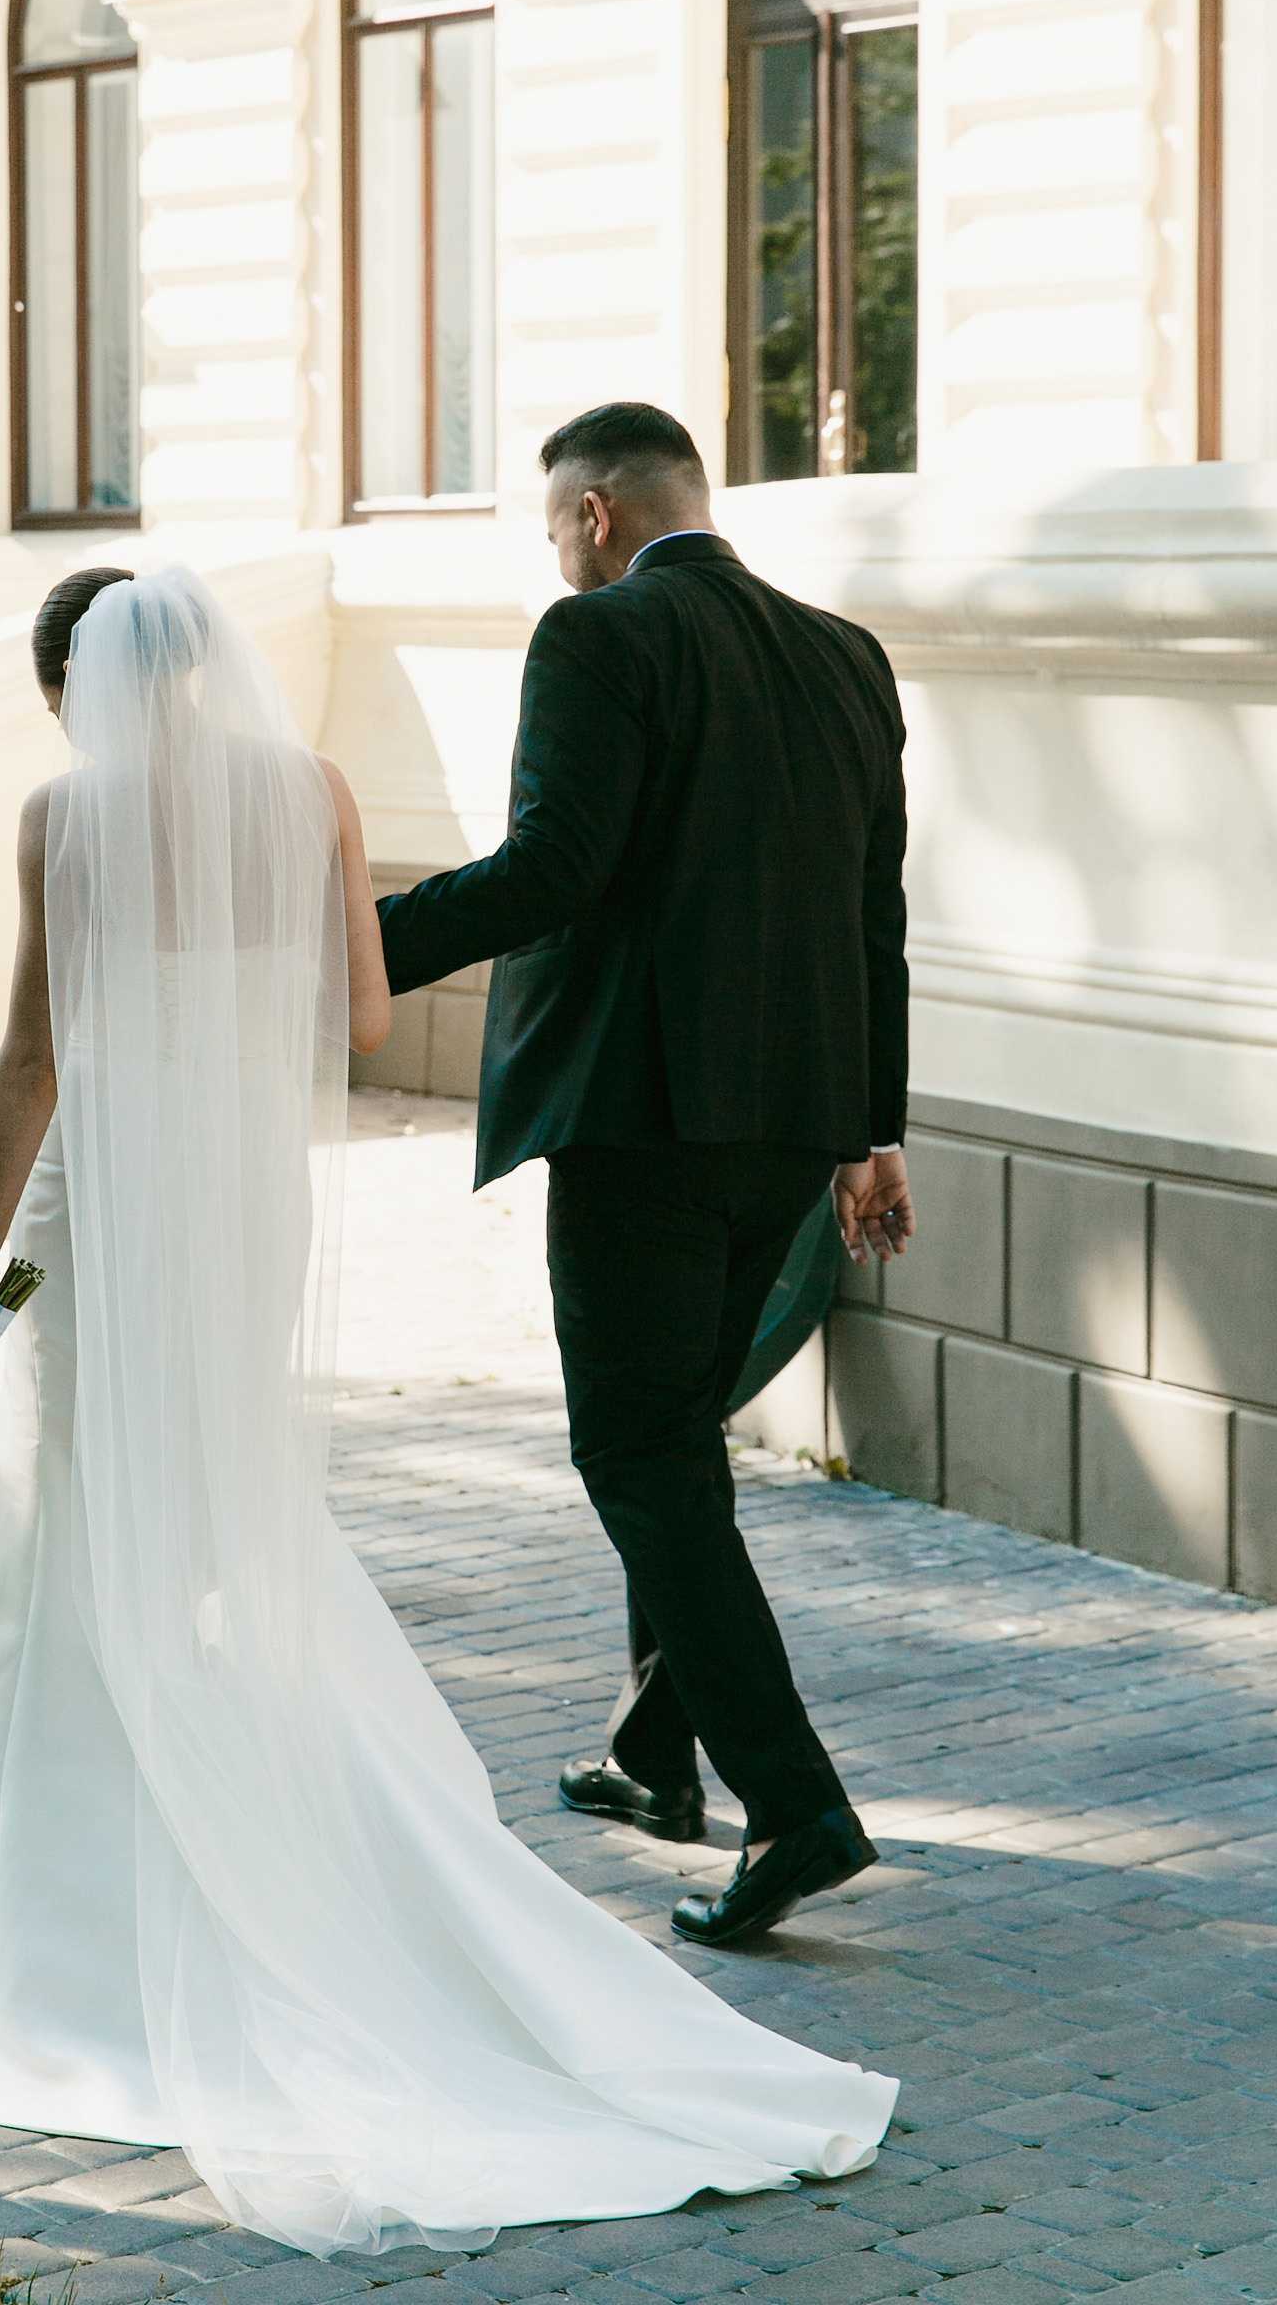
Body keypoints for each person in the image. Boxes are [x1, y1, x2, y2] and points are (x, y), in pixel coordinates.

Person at [0, 560, 895, 2259]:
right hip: (244, 1192)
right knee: (222, 1507)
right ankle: (325, 1851)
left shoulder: (60, 819)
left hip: (114, 1192)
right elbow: (362, 1015)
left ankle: (74, 1947)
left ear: (79, 688)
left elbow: (31, 1063)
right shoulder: (314, 794)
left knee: (86, 1523)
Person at [376, 403, 915, 1953]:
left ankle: (794, 1804)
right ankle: (649, 1759)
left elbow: (556, 867)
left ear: (598, 515)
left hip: (642, 1126)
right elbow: (871, 909)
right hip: (792, 1128)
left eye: (558, 528)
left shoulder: (598, 637)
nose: (560, 553)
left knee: (639, 1456)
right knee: (680, 1442)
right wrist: (870, 1133)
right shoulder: (845, 655)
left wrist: (349, 946)